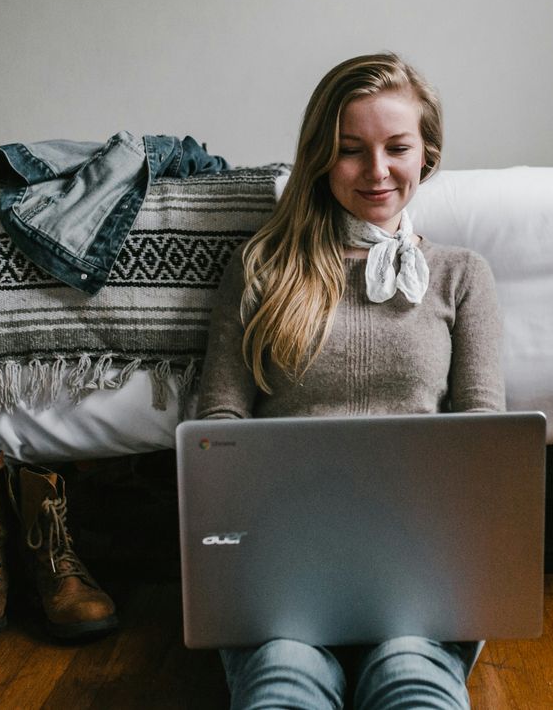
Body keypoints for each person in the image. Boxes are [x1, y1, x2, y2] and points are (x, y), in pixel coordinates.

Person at [196, 52, 506, 709]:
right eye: (350, 150)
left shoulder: (461, 275)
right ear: (319, 157)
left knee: (410, 680)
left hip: (421, 573)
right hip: (280, 572)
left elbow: (488, 445)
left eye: (397, 147)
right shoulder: (259, 269)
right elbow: (217, 431)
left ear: (428, 153)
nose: (377, 171)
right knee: (285, 679)